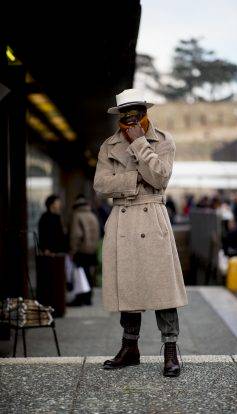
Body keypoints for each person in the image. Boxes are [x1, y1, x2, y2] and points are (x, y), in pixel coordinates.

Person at [93, 88, 188, 377]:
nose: (131, 120)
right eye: (125, 115)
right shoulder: (108, 145)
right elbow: (100, 184)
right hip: (123, 220)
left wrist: (139, 145)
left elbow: (160, 177)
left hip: (152, 216)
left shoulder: (163, 140)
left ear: (146, 112)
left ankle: (170, 350)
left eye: (136, 113)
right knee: (128, 286)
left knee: (163, 288)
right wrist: (135, 178)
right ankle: (129, 347)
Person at [69, 195, 100, 305]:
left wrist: (73, 249)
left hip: (81, 250)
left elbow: (76, 235)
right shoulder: (92, 215)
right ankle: (88, 298)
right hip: (92, 250)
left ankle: (80, 298)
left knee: (80, 274)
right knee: (88, 274)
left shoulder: (77, 215)